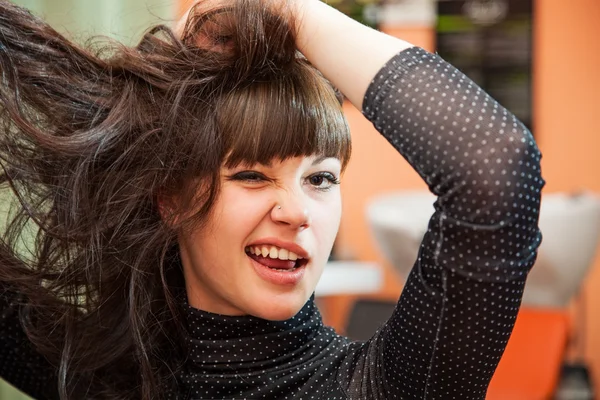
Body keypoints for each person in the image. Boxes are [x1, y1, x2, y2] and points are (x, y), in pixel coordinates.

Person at [0, 0, 544, 399]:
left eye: (321, 178)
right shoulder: (91, 380)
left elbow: (495, 172)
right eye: (253, 175)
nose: (298, 212)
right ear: (171, 199)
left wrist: (289, 12)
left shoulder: (379, 389)